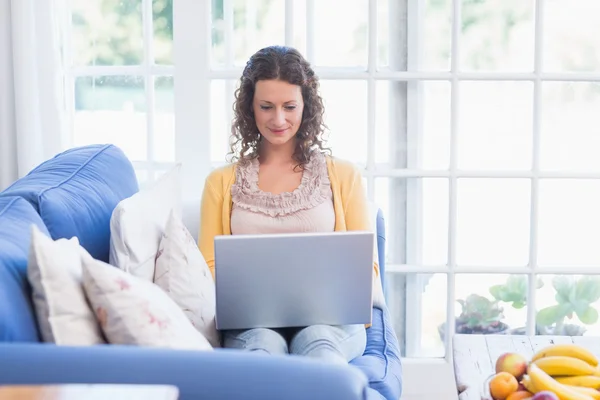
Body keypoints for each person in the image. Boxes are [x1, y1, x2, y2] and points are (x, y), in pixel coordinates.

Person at [198, 45, 384, 365]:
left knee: (319, 343)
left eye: (289, 106)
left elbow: (367, 267)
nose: (279, 119)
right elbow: (208, 268)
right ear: (249, 108)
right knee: (262, 349)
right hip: (252, 323)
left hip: (331, 322)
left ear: (306, 106)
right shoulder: (220, 182)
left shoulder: (343, 175)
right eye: (266, 106)